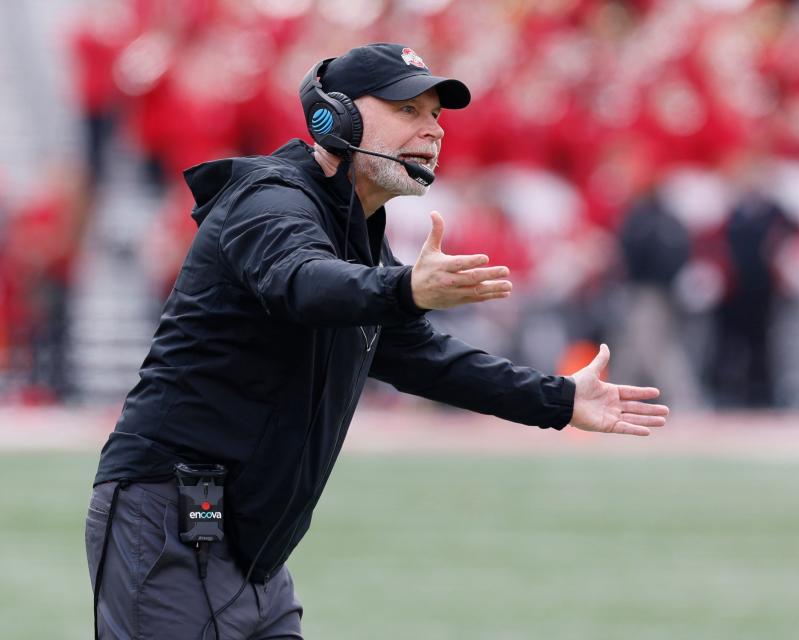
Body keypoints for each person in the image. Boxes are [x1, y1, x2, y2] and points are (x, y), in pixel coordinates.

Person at [85, 43, 670, 640]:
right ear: (333, 117)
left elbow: (421, 357)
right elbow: (304, 283)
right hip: (172, 521)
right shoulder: (269, 198)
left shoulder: (357, 230)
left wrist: (560, 399)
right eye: (408, 110)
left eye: (436, 115)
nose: (432, 130)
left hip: (249, 548)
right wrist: (405, 288)